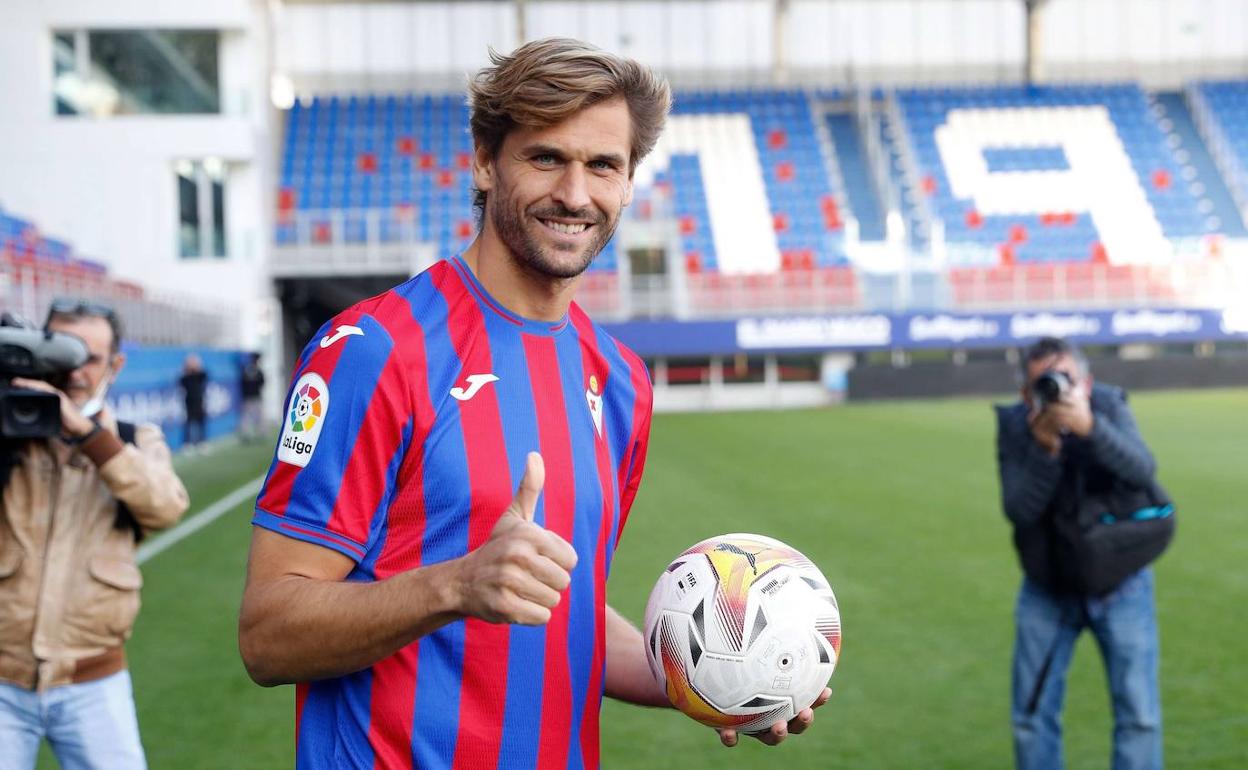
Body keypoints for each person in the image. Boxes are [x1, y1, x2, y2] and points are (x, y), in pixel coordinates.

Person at [239, 37, 830, 768]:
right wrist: (453, 585)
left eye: (603, 166)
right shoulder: (373, 350)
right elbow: (267, 635)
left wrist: (716, 675)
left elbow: (566, 613)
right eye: (547, 157)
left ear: (629, 180)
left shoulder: (617, 383)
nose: (576, 195)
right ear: (486, 161)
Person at [0, 298, 190, 769]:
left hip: (94, 680)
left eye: (91, 358)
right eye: (63, 354)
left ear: (116, 364)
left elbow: (167, 505)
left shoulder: (131, 439)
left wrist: (92, 437)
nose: (76, 370)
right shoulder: (8, 428)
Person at [995, 337, 1163, 770]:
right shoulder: (1017, 425)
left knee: (1139, 717)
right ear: (1024, 393)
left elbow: (1142, 469)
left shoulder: (1107, 405)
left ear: (1086, 381)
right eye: (1044, 384)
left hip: (1122, 584)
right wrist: (1045, 449)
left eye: (1066, 378)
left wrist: (1091, 429)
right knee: (1031, 717)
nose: (1057, 389)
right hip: (1046, 587)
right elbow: (1019, 509)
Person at [178, 353, 208, 452]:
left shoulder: (200, 375)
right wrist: (187, 369)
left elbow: (204, 375)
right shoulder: (186, 377)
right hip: (189, 403)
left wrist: (197, 366)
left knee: (201, 423)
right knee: (188, 424)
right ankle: (187, 444)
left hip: (199, 402)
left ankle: (201, 442)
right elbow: (181, 381)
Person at [238, 352, 266, 442]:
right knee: (257, 416)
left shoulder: (246, 369)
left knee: (247, 417)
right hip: (255, 396)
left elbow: (242, 383)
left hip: (248, 396)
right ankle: (261, 433)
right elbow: (262, 382)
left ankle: (246, 434)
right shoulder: (257, 370)